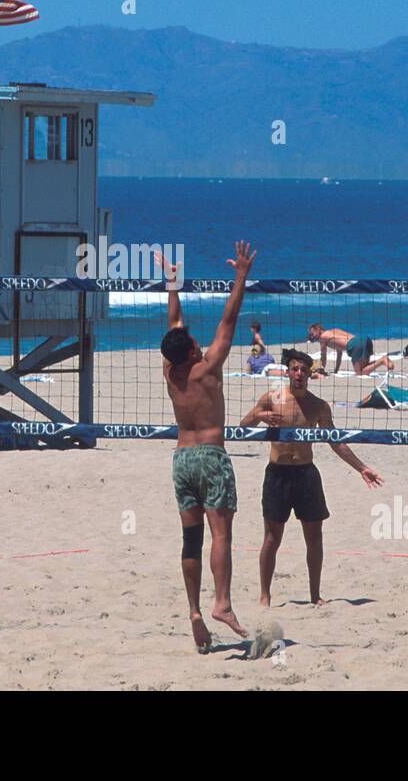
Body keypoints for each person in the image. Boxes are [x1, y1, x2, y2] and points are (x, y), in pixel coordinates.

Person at [158, 241, 255, 651]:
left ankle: (194, 610)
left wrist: (173, 284)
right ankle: (222, 603)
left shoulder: (170, 370)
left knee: (190, 538)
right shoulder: (208, 366)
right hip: (212, 456)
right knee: (221, 534)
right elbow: (229, 319)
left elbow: (175, 323)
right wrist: (241, 276)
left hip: (181, 459)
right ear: (194, 349)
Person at [240, 349, 383, 607]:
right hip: (277, 474)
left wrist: (361, 467)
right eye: (294, 369)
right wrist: (261, 416)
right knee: (272, 538)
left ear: (310, 374)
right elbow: (242, 426)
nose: (298, 374)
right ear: (287, 372)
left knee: (314, 536)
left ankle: (315, 594)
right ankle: (265, 594)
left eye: (303, 370)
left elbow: (335, 441)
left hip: (306, 474)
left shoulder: (318, 406)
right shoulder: (272, 397)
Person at [307, 323, 393, 375]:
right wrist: (336, 370)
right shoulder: (334, 331)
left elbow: (323, 357)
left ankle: (382, 360)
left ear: (318, 329)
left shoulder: (323, 337)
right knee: (365, 367)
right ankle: (383, 361)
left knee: (360, 372)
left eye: (312, 334)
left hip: (354, 345)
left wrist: (321, 370)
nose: (311, 337)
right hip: (364, 339)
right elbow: (339, 354)